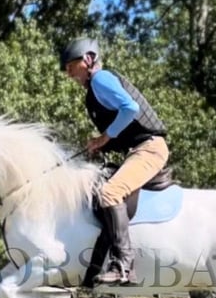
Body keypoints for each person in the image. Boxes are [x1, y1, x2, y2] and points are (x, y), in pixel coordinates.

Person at [60, 37, 169, 285]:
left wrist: (104, 137)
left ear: (87, 59)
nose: (68, 74)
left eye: (70, 66)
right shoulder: (95, 88)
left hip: (149, 148)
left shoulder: (100, 79)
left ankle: (123, 266)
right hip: (137, 149)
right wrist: (102, 143)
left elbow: (129, 108)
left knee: (109, 193)